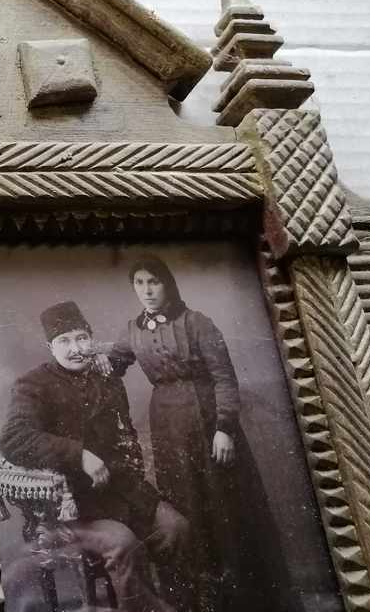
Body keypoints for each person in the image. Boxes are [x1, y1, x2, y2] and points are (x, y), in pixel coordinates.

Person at [108, 255, 285, 611]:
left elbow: (224, 377)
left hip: (208, 426)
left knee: (223, 506)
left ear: (168, 283)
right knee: (186, 507)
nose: (147, 290)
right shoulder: (131, 331)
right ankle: (203, 601)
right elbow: (112, 364)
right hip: (168, 430)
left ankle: (245, 598)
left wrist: (224, 429)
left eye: (153, 281)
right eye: (139, 283)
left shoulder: (197, 323)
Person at [0, 300, 188, 612]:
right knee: (122, 544)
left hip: (117, 493)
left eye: (81, 338)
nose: (75, 349)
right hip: (67, 510)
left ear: (91, 339)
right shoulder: (33, 385)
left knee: (175, 528)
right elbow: (13, 439)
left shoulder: (105, 376)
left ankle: (173, 602)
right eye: (64, 341)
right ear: (50, 347)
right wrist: (79, 455)